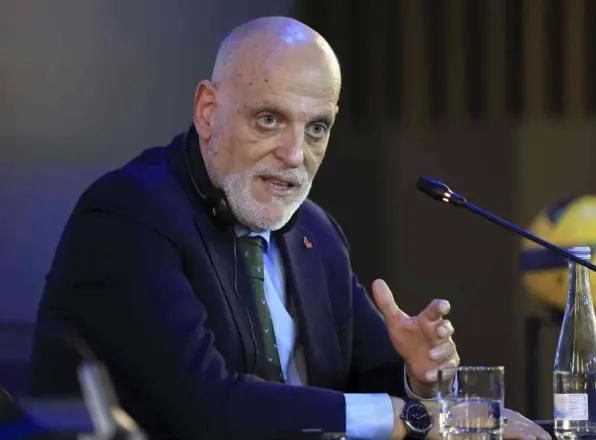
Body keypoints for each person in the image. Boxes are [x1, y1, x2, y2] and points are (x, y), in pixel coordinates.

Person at [29, 16, 549, 440]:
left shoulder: (315, 233)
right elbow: (204, 408)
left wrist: (415, 379)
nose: (295, 155)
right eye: (269, 120)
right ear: (208, 112)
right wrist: (408, 418)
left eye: (317, 128)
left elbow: (374, 386)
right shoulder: (129, 216)